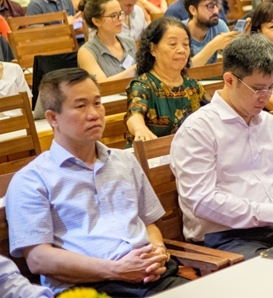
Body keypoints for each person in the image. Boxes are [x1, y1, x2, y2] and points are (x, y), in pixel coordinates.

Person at [7, 68, 188, 296]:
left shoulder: (124, 161)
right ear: (53, 118)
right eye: (81, 106)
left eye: (97, 103)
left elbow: (149, 223)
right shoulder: (31, 180)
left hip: (151, 276)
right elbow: (38, 259)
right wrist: (116, 270)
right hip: (89, 288)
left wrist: (158, 252)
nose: (94, 114)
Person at [170, 34, 273, 259]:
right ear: (230, 80)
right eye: (258, 88)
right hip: (228, 236)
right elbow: (202, 201)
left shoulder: (270, 123)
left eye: (272, 87)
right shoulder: (199, 129)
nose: (266, 97)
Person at [125, 18, 208, 142]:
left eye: (185, 44)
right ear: (153, 48)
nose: (181, 50)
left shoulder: (193, 87)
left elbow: (213, 114)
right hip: (152, 155)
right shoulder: (143, 85)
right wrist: (140, 129)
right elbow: (134, 113)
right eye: (173, 44)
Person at [77, 0, 138, 82]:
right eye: (113, 16)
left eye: (120, 13)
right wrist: (136, 68)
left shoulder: (130, 42)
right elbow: (101, 84)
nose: (120, 18)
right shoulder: (86, 52)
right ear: (97, 21)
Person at [183, 0, 237, 66]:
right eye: (210, 6)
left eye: (217, 5)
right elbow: (184, 69)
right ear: (193, 10)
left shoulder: (219, 25)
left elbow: (235, 60)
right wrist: (213, 45)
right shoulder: (180, 31)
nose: (216, 11)